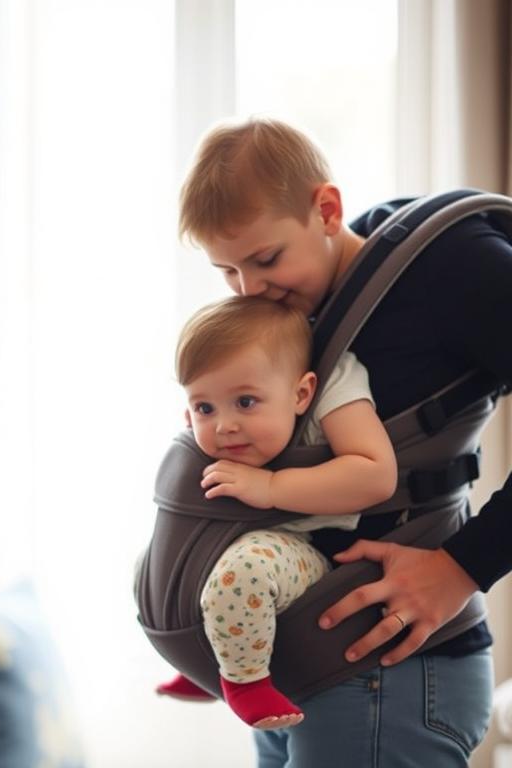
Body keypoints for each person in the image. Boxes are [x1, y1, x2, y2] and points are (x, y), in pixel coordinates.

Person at [178, 116, 503, 765]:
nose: (250, 291)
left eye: (266, 259)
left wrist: (463, 565)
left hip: (393, 674)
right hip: (312, 673)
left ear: (327, 209)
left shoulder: (449, 265)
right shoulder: (315, 304)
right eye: (227, 272)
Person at [153, 295, 396, 729]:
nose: (224, 425)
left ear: (301, 393)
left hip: (311, 548)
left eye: (245, 402)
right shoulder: (225, 426)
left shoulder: (330, 398)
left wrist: (270, 486)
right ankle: (209, 661)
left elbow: (375, 478)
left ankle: (245, 681)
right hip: (234, 538)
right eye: (204, 408)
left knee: (243, 572)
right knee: (154, 563)